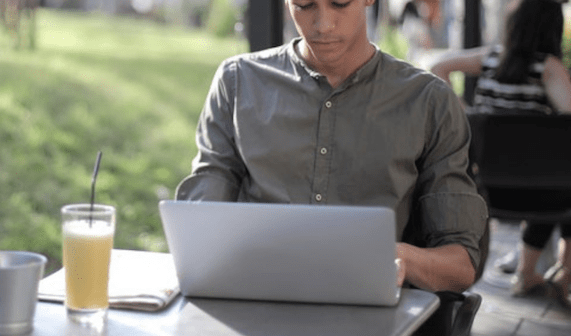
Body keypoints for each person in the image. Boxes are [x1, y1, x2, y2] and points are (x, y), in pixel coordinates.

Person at [176, 0, 488, 293]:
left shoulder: (429, 102)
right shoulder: (237, 82)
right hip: (256, 300)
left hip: (370, 316)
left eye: (339, 2)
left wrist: (396, 257)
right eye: (304, 4)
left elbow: (460, 266)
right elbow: (200, 230)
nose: (323, 25)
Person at [431, 0, 571, 305]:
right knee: (563, 180)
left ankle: (532, 272)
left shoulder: (491, 58)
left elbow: (438, 67)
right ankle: (554, 273)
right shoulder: (548, 67)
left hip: (486, 191)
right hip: (542, 195)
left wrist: (465, 115)